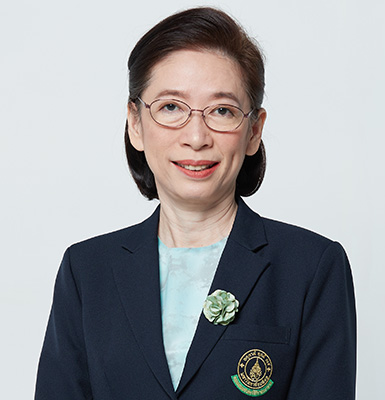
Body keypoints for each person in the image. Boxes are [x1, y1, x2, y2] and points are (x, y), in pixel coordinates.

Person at [35, 7, 356, 400]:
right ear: (135, 123)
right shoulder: (87, 270)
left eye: (222, 110)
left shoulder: (312, 268)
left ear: (254, 131)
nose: (196, 137)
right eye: (171, 107)